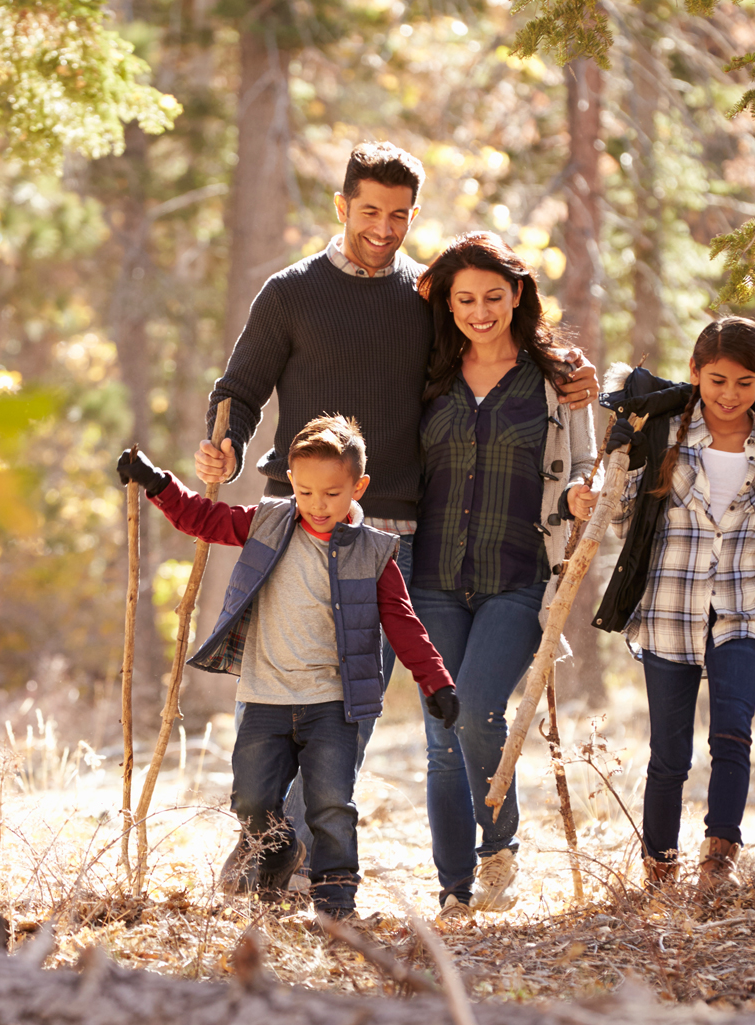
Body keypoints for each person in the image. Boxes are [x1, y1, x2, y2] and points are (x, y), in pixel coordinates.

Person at [196, 142, 597, 885]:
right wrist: (221, 441)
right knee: (291, 693)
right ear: (342, 205)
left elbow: (497, 349)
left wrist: (573, 374)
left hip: (395, 538)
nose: (384, 227)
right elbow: (241, 388)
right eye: (371, 210)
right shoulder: (290, 292)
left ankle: (283, 852)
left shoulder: (425, 298)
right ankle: (266, 841)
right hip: (301, 526)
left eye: (401, 215)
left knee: (357, 704)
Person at [117, 416, 460, 921]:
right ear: (291, 484)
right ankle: (277, 850)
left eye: (332, 493)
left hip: (333, 703)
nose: (318, 505)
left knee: (330, 806)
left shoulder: (374, 552)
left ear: (358, 487)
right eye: (304, 491)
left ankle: (336, 903)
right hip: (264, 698)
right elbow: (205, 519)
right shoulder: (269, 521)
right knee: (251, 800)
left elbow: (403, 622)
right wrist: (156, 482)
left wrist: (436, 680)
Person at [589, 316, 755, 895]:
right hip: (668, 611)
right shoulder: (665, 434)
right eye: (717, 379)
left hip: (743, 611)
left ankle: (719, 862)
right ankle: (659, 872)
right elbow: (621, 525)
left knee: (733, 736)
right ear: (695, 373)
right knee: (669, 753)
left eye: (745, 382)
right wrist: (624, 464)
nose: (729, 394)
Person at [406, 233, 597, 918]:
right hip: (430, 577)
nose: (480, 311)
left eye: (493, 296)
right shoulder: (426, 371)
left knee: (480, 710)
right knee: (440, 734)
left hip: (517, 576)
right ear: (448, 305)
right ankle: (453, 888)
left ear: (518, 294)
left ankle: (499, 843)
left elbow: (585, 464)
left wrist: (583, 493)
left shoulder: (558, 378)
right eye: (465, 299)